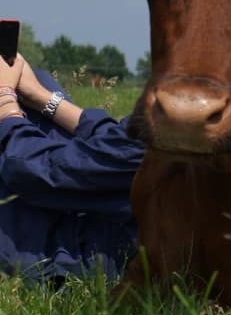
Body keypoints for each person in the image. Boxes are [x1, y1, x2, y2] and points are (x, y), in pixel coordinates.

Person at [0, 53, 144, 285]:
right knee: (39, 79)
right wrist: (39, 95)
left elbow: (34, 172)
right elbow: (118, 143)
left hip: (87, 256)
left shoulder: (173, 137)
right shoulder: (196, 108)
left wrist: (5, 102)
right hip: (106, 208)